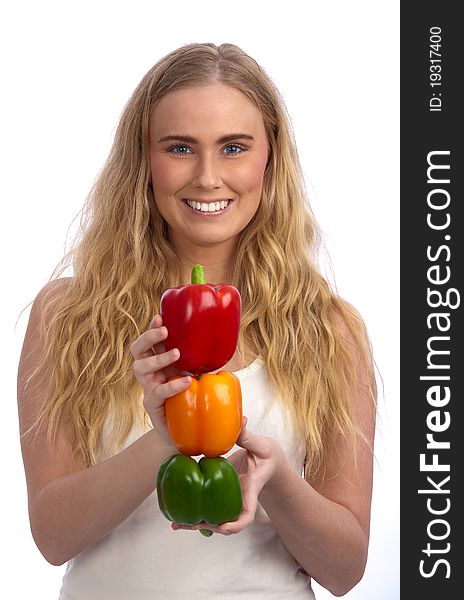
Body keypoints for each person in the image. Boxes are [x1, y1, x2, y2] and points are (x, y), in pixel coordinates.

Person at [17, 42, 377, 599]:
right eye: (181, 147)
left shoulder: (329, 330)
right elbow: (52, 536)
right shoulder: (69, 316)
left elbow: (345, 569)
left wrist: (278, 478)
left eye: (233, 147)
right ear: (145, 159)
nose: (209, 177)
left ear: (269, 158)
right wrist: (165, 436)